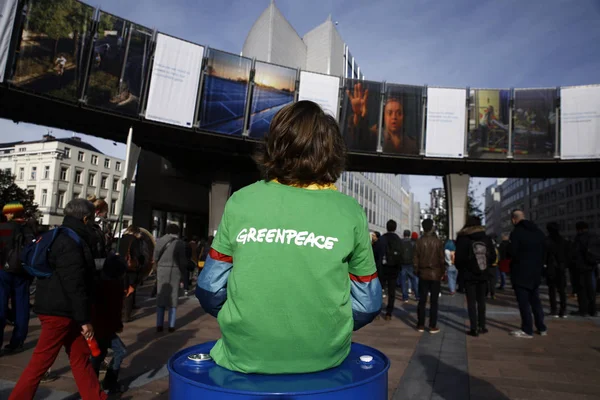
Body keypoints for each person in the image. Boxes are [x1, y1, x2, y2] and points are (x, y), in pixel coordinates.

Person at [196, 101, 382, 374]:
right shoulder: (350, 211)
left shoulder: (242, 201)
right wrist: (322, 324)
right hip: (325, 358)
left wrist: (251, 321)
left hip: (243, 355)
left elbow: (210, 288)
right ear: (332, 151)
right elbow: (368, 303)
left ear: (275, 145)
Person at [9, 199, 107, 400]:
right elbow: (75, 283)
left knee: (80, 358)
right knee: (41, 362)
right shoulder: (72, 242)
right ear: (86, 218)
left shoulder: (57, 235)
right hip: (60, 311)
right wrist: (85, 320)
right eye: (91, 219)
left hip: (59, 306)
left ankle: (95, 397)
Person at [0, 202, 35, 355]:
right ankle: (18, 341)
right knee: (21, 306)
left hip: (3, 271)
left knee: (1, 306)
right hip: (24, 273)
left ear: (11, 213)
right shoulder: (30, 230)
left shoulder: (4, 228)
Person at [507, 210, 547, 339]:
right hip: (535, 271)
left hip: (521, 271)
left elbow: (512, 253)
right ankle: (541, 327)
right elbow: (545, 251)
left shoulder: (516, 233)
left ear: (514, 219)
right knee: (536, 301)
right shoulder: (538, 232)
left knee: (524, 303)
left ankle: (527, 329)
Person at [90, 254, 127, 394]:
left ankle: (106, 382)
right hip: (101, 328)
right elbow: (112, 310)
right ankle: (99, 384)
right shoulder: (110, 286)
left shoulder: (101, 282)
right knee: (98, 356)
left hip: (103, 328)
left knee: (102, 354)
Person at [455, 217, 495, 337]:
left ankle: (474, 328)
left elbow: (458, 260)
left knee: (471, 302)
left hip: (468, 275)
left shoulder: (462, 238)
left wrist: (463, 269)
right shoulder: (486, 238)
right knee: (481, 301)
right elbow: (492, 257)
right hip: (483, 274)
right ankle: (482, 326)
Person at [154, 224, 188, 332]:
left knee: (161, 296)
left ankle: (159, 324)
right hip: (175, 270)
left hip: (162, 270)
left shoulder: (160, 241)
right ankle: (171, 325)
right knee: (173, 298)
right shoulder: (180, 243)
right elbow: (182, 261)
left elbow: (155, 257)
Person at [413, 218, 445, 334]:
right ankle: (432, 325)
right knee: (434, 301)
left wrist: (417, 271)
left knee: (422, 300)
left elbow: (415, 258)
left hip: (423, 274)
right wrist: (442, 272)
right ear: (432, 227)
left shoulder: (419, 241)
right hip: (435, 274)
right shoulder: (437, 242)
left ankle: (420, 324)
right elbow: (442, 259)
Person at [376, 220, 403, 320]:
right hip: (394, 268)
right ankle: (388, 313)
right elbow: (401, 255)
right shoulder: (398, 239)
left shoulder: (382, 239)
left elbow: (376, 253)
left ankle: (377, 311)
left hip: (382, 268)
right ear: (395, 228)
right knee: (392, 291)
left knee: (379, 290)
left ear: (386, 227)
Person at [572, 221, 598, 317]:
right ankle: (593, 310)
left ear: (579, 229)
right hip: (592, 266)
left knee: (582, 289)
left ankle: (583, 310)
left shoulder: (579, 238)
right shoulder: (594, 236)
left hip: (581, 267)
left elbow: (575, 253)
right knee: (591, 290)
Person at [545, 222, 569, 319]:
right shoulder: (564, 241)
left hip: (551, 267)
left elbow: (544, 256)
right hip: (561, 268)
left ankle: (553, 310)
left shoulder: (546, 241)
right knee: (562, 290)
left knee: (552, 290)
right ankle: (563, 310)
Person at [399, 230, 419, 302]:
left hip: (403, 264)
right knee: (414, 280)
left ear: (403, 234)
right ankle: (417, 296)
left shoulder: (400, 242)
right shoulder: (412, 243)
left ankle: (405, 297)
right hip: (411, 264)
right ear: (409, 235)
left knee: (403, 281)